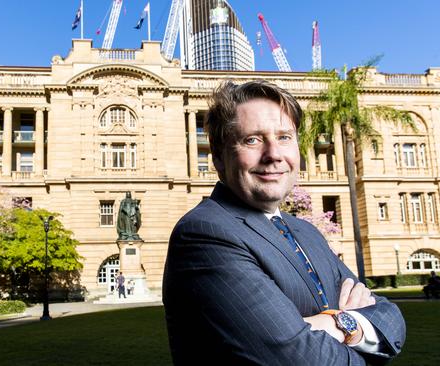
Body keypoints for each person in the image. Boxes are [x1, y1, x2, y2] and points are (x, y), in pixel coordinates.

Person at [163, 81, 406, 365]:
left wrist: (335, 325)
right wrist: (354, 324)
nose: (274, 154)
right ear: (217, 156)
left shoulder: (306, 232)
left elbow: (392, 319)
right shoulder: (205, 233)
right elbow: (302, 359)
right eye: (252, 139)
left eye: (284, 137)